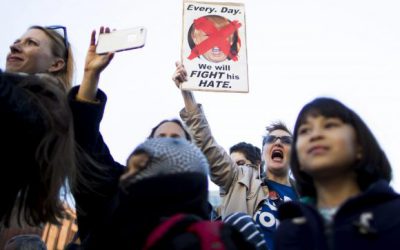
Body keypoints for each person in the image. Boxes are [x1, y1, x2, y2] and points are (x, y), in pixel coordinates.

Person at [67, 27, 195, 249]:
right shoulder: (115, 186)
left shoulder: (199, 215)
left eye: (176, 138)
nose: (168, 141)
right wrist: (91, 75)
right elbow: (83, 140)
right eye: (161, 137)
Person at [173, 62, 297, 250]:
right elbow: (206, 144)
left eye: (286, 140)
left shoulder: (308, 195)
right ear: (262, 155)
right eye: (271, 139)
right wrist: (187, 92)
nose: (278, 142)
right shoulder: (239, 179)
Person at [275, 97, 400, 250]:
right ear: (298, 160)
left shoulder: (394, 214)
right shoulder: (288, 231)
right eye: (305, 131)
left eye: (329, 125)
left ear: (360, 146)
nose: (315, 135)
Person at [1, 25, 77, 227]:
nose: (14, 47)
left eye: (30, 43)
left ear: (55, 64)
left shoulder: (45, 109)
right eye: (17, 42)